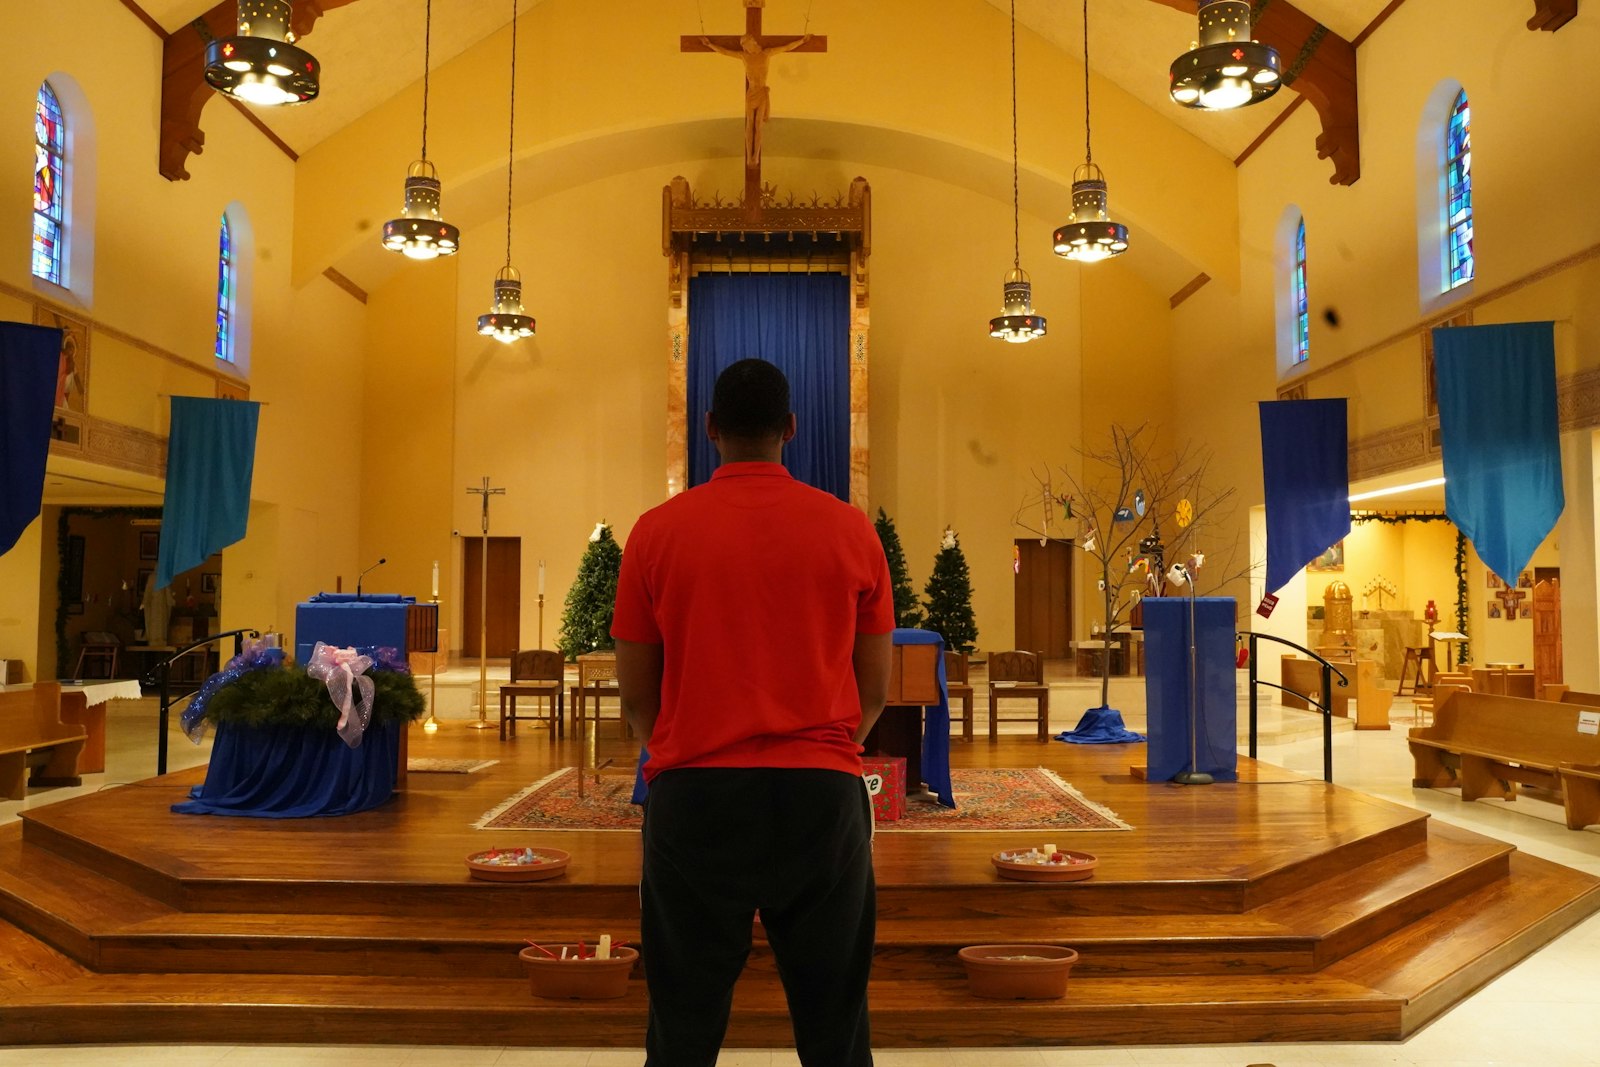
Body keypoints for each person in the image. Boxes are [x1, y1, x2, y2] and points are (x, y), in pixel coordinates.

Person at [612, 358, 893, 1067]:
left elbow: (637, 690)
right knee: (836, 1030)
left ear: (709, 429)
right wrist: (826, 747)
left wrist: (680, 747)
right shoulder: (851, 530)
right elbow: (877, 688)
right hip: (820, 797)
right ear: (791, 429)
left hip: (696, 798)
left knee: (681, 1028)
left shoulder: (654, 533)